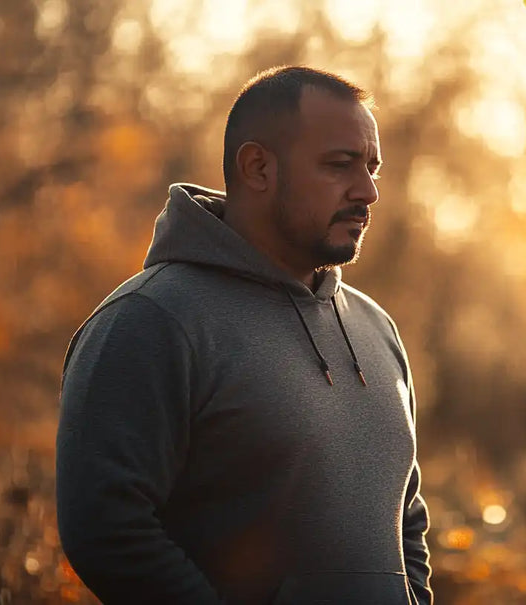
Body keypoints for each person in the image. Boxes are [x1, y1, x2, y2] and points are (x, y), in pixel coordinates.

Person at [55, 66, 433, 605]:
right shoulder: (151, 320)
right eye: (339, 165)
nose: (368, 191)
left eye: (372, 168)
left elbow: (407, 518)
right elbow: (105, 527)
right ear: (257, 167)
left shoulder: (375, 327)